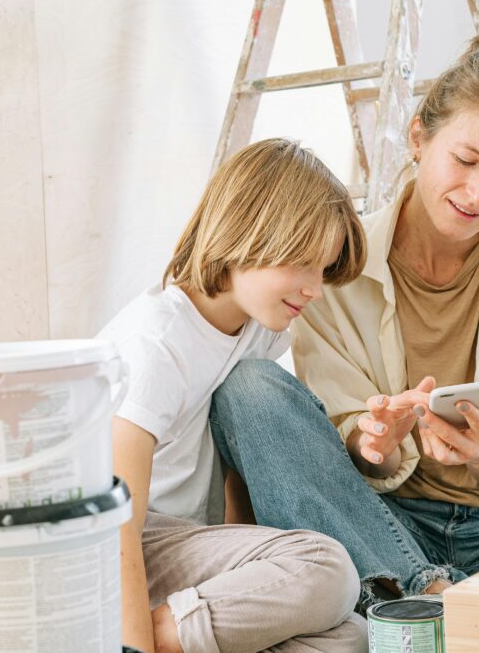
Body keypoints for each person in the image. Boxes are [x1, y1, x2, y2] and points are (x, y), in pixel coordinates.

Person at [209, 29, 479, 611]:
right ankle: (426, 594)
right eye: (466, 160)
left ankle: (401, 607)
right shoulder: (335, 266)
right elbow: (345, 443)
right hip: (379, 525)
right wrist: (377, 444)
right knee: (248, 388)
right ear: (420, 136)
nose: (478, 193)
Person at [99, 138, 369, 653]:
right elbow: (115, 525)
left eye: (322, 269)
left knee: (349, 636)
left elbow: (234, 471)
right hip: (121, 551)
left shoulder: (257, 327)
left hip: (188, 547)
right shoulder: (154, 346)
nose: (314, 288)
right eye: (302, 264)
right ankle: (129, 641)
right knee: (328, 569)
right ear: (247, 236)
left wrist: (255, 580)